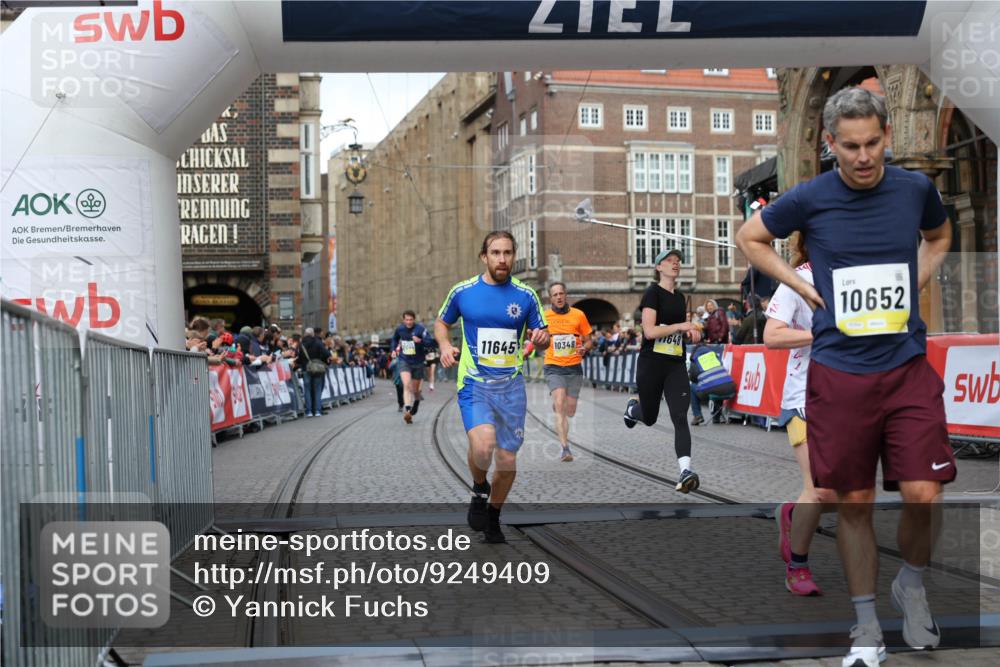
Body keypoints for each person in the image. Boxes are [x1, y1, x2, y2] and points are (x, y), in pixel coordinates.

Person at [736, 86, 954, 667]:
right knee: (852, 501)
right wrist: (805, 288)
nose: (864, 157)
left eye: (874, 144)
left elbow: (940, 236)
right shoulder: (810, 197)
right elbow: (751, 238)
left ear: (887, 137)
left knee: (924, 494)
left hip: (906, 366)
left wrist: (920, 278)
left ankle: (911, 582)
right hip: (839, 374)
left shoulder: (914, 189)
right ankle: (866, 627)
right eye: (851, 146)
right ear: (830, 144)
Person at [435, 231, 548, 544]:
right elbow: (441, 322)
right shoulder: (463, 291)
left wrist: (541, 338)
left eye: (508, 253)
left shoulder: (526, 295)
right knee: (483, 447)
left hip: (511, 387)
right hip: (475, 383)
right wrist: (445, 346)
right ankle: (479, 486)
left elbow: (543, 333)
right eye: (496, 253)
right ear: (484, 256)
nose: (503, 259)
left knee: (508, 460)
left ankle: (494, 515)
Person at [764, 232, 838, 597]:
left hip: (849, 400)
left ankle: (791, 514)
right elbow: (772, 335)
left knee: (841, 497)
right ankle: (798, 566)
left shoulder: (858, 276)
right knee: (821, 490)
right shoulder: (798, 279)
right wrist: (819, 335)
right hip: (804, 398)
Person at [622, 248, 703, 493]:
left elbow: (679, 331)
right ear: (659, 267)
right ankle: (633, 410)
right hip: (652, 363)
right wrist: (680, 325)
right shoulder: (652, 294)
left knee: (680, 416)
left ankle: (685, 471)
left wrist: (691, 332)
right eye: (669, 261)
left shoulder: (680, 297)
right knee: (649, 417)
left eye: (678, 261)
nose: (675, 264)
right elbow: (650, 332)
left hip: (675, 364)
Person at [543, 282, 593, 462]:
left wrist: (584, 348)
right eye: (555, 294)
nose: (558, 297)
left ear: (566, 296)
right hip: (553, 366)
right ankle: (565, 448)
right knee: (560, 404)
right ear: (551, 298)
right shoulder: (544, 316)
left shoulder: (578, 315)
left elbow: (589, 340)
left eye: (561, 293)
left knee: (570, 410)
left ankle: (561, 405)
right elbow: (535, 336)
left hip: (574, 368)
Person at [392, 310, 428, 424]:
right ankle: (408, 410)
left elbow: (431, 342)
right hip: (404, 360)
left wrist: (420, 341)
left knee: (416, 390)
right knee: (406, 385)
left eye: (411, 320)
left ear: (414, 319)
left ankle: (416, 401)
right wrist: (393, 350)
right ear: (403, 320)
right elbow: (394, 339)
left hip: (418, 361)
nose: (408, 322)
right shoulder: (400, 329)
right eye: (406, 320)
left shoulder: (420, 329)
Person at [687, 344, 735, 426]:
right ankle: (717, 418)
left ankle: (697, 415)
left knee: (692, 387)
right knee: (716, 385)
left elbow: (692, 379)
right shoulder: (715, 356)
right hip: (731, 389)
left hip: (714, 390)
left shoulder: (696, 359)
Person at [297, 327, 330, 418]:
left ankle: (309, 412)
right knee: (317, 389)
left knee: (307, 390)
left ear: (305, 334)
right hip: (317, 368)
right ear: (312, 334)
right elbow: (327, 354)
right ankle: (318, 411)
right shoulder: (318, 342)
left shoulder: (301, 344)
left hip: (306, 369)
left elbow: (299, 358)